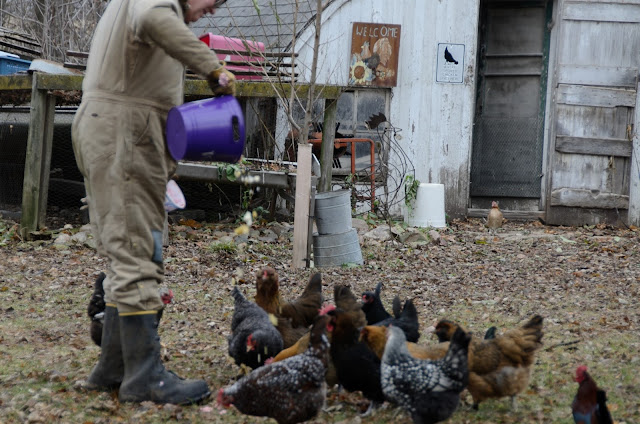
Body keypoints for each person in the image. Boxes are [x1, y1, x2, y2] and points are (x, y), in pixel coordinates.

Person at [72, 0, 235, 405]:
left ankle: (113, 368)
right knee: (137, 250)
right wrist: (212, 67)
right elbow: (151, 18)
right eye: (215, 1)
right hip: (125, 134)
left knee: (125, 251)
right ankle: (144, 377)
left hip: (115, 129)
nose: (214, 10)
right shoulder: (154, 5)